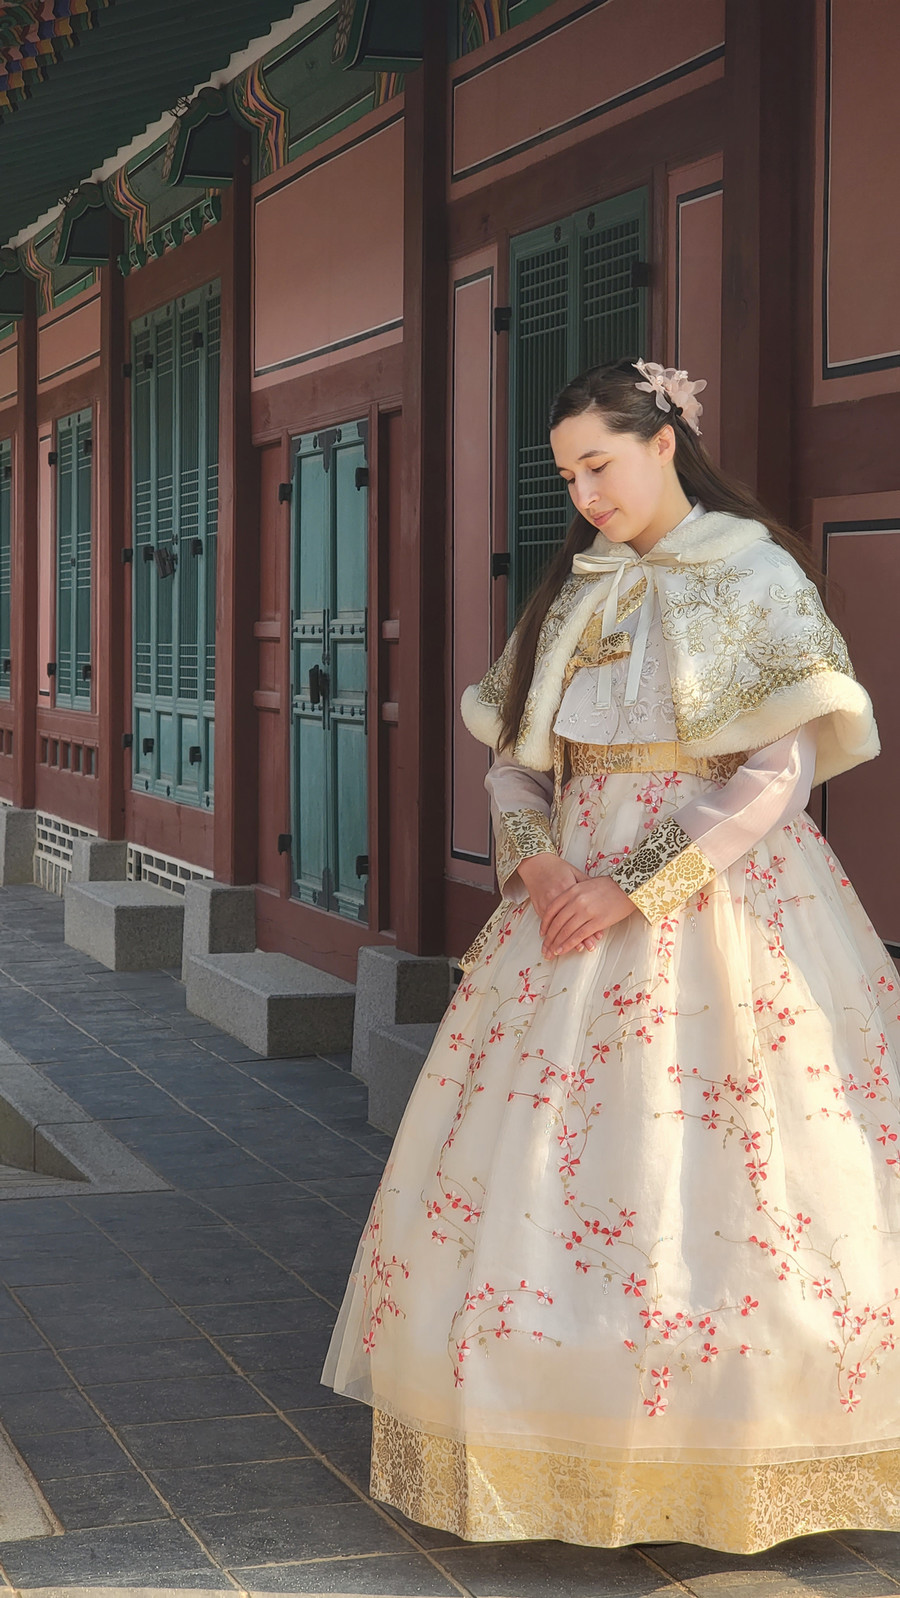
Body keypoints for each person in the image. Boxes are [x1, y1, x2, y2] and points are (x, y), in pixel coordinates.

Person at [322, 356, 900, 1555]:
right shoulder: (575, 594)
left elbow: (776, 775)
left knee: (733, 1161)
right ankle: (551, 1424)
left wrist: (629, 887)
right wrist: (538, 867)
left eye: (600, 463)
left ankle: (737, 1442)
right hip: (557, 909)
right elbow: (513, 759)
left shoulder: (757, 575)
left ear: (666, 442)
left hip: (722, 906)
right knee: (548, 1165)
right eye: (567, 474)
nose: (585, 492)